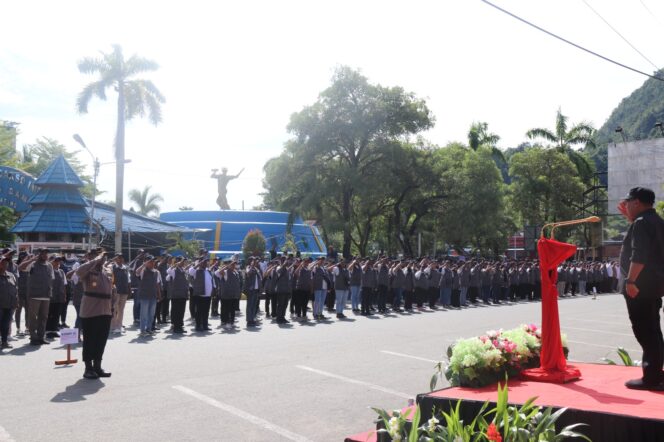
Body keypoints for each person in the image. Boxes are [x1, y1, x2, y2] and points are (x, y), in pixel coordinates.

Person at [617, 187, 664, 391]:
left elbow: (640, 254)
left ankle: (651, 377)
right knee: (653, 330)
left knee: (645, 331)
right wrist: (630, 218)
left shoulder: (642, 223)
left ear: (637, 202)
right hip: (653, 284)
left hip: (640, 286)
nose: (625, 206)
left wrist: (630, 281)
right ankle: (656, 373)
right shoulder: (656, 221)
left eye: (628, 202)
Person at [76, 251, 113, 379]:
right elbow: (78, 272)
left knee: (101, 341)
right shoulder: (87, 270)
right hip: (91, 311)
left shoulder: (106, 271)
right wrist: (95, 260)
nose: (103, 258)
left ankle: (97, 366)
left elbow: (111, 289)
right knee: (89, 341)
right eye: (100, 256)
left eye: (104, 257)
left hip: (105, 310)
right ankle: (88, 368)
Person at [19, 249, 54, 346]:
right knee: (32, 318)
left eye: (46, 253)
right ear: (39, 254)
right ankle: (33, 337)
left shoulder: (49, 266)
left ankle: (41, 337)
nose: (45, 255)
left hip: (46, 296)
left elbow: (51, 280)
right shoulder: (33, 264)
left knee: (43, 318)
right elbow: (20, 267)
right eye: (43, 253)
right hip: (34, 296)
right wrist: (31, 260)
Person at [135, 256, 162, 336]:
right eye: (150, 261)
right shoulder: (143, 270)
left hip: (153, 295)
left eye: (153, 261)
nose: (153, 263)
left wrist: (159, 295)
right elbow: (137, 272)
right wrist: (144, 264)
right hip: (144, 296)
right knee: (143, 314)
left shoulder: (156, 272)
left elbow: (157, 284)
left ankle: (149, 329)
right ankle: (142, 331)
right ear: (146, 262)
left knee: (151, 314)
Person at [188, 257, 214, 332]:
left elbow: (212, 281)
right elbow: (190, 271)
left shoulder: (208, 271)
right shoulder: (196, 271)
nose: (206, 263)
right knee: (199, 311)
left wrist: (213, 289)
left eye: (206, 262)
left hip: (208, 295)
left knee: (206, 311)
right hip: (200, 294)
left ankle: (205, 325)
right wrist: (198, 264)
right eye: (204, 262)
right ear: (200, 263)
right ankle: (198, 326)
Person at [166, 257, 189, 334]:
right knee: (176, 311)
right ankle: (176, 327)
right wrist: (175, 265)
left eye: (184, 262)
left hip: (183, 294)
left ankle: (180, 326)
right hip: (176, 295)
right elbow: (168, 271)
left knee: (181, 311)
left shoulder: (183, 271)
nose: (184, 263)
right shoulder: (174, 271)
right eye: (182, 262)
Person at [0, 255, 18, 349]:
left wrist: (16, 301)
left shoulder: (11, 275)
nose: (5, 264)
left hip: (9, 305)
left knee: (6, 325)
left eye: (6, 262)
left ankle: (4, 342)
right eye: (3, 262)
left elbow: (15, 289)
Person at [110, 253, 130, 334]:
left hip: (124, 291)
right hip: (115, 291)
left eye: (122, 258)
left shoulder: (125, 268)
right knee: (114, 309)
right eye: (119, 258)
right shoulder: (112, 267)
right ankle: (114, 327)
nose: (121, 259)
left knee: (121, 310)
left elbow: (128, 279)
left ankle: (119, 326)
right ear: (115, 259)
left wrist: (129, 289)